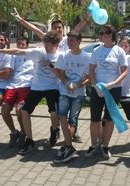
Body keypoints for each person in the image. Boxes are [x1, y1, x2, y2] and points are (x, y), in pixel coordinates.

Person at [0, 30, 61, 155]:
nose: (46, 47)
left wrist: (51, 65)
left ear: (55, 44)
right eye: (45, 43)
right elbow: (18, 51)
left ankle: (54, 131)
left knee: (54, 113)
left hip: (52, 87)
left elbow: (62, 73)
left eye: (48, 44)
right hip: (37, 87)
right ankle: (29, 140)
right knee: (24, 111)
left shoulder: (60, 56)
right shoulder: (39, 52)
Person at [85, 25, 127, 159]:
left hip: (113, 89)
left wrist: (114, 83)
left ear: (110, 35)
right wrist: (95, 85)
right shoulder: (96, 51)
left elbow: (124, 71)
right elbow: (91, 70)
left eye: (102, 33)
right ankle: (93, 145)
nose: (100, 35)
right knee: (95, 119)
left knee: (110, 119)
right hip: (98, 88)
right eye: (100, 33)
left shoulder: (119, 51)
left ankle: (105, 146)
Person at [52, 31, 90, 163]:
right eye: (68, 40)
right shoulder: (63, 55)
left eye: (72, 40)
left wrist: (78, 85)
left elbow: (89, 77)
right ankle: (68, 146)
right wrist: (66, 83)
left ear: (79, 41)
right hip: (64, 92)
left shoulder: (86, 57)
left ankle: (66, 146)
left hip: (79, 94)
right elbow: (58, 71)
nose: (69, 43)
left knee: (73, 119)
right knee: (62, 116)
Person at [1, 37, 34, 147]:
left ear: (27, 46)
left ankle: (24, 132)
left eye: (23, 44)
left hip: (26, 85)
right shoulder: (12, 56)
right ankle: (14, 132)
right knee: (4, 110)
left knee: (19, 109)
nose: (20, 46)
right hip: (12, 85)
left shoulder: (32, 55)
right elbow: (7, 70)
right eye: (19, 44)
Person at [11, 8, 91, 52]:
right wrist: (20, 20)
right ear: (51, 29)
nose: (57, 29)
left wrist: (87, 16)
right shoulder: (48, 39)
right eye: (55, 27)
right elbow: (34, 29)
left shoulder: (68, 39)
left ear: (63, 29)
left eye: (59, 27)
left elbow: (78, 27)